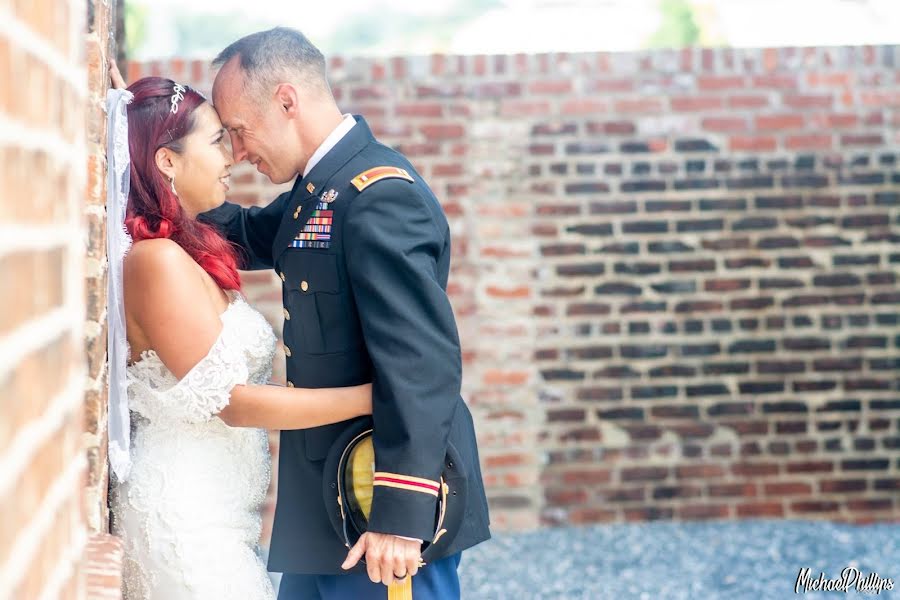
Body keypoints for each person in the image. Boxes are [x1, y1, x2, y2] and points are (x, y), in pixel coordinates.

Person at [199, 27, 490, 599]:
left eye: (238, 130)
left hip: (376, 503)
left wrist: (402, 516)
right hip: (324, 503)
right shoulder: (321, 189)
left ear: (286, 101)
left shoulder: (380, 194)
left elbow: (421, 364)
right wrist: (158, 173)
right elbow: (239, 233)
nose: (237, 151)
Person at [105, 73, 374, 600]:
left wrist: (134, 128)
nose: (232, 156)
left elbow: (243, 225)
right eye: (216, 140)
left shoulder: (183, 247)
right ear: (166, 161)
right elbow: (231, 402)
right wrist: (373, 399)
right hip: (185, 521)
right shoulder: (157, 262)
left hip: (220, 516)